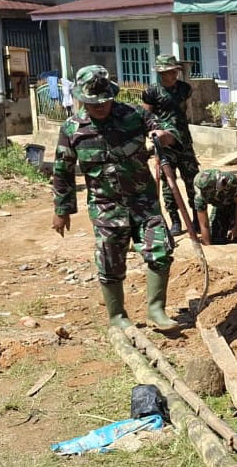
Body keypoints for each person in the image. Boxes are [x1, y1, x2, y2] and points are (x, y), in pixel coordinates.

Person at [52, 65, 180, 330]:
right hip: (105, 206)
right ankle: (117, 317)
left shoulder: (134, 115)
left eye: (104, 101)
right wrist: (61, 210)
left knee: (161, 250)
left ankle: (156, 310)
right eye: (93, 102)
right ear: (81, 98)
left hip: (143, 202)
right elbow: (62, 171)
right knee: (109, 261)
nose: (100, 106)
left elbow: (167, 132)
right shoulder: (72, 129)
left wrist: (164, 136)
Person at [141, 54, 200, 236]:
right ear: (161, 73)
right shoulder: (152, 92)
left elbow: (185, 111)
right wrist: (152, 138)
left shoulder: (184, 88)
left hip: (184, 142)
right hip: (165, 144)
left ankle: (197, 218)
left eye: (175, 71)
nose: (173, 74)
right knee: (168, 183)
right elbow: (145, 117)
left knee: (193, 180)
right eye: (169, 72)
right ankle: (175, 220)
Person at [193, 169, 237, 246]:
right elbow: (204, 224)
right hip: (220, 204)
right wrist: (207, 245)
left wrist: (236, 228)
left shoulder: (230, 181)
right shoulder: (199, 196)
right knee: (216, 237)